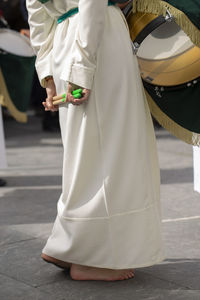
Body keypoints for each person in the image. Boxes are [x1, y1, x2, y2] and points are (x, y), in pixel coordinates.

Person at [26, 0, 165, 281]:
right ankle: (91, 258)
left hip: (63, 43)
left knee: (84, 151)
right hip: (96, 40)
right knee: (112, 150)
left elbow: (36, 12)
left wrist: (48, 75)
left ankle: (66, 244)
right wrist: (83, 67)